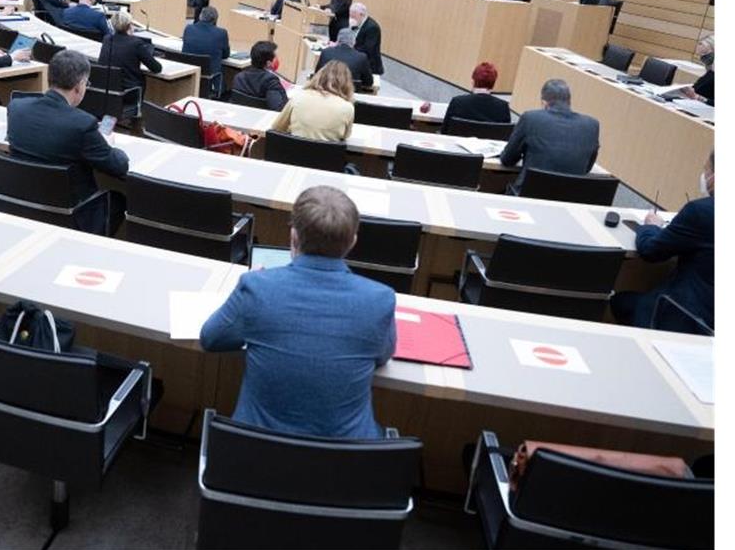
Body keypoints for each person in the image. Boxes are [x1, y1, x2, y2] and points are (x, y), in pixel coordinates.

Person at [200, 185, 396, 439]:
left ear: (293, 236)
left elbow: (211, 338)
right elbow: (381, 357)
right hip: (344, 468)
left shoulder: (257, 287)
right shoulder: (380, 300)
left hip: (253, 458)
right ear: (353, 242)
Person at [7, 50, 130, 235]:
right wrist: (107, 144)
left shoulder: (16, 108)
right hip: (70, 214)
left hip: (24, 205)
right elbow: (119, 166)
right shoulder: (83, 124)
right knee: (119, 199)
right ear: (79, 86)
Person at [610, 151, 714, 333]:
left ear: (714, 176)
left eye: (706, 170)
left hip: (686, 315)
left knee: (620, 301)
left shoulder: (700, 211)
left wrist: (650, 226)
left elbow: (651, 251)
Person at [500, 78, 599, 195]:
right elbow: (586, 168)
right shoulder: (592, 125)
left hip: (530, 194)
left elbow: (507, 159)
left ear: (544, 103)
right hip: (571, 197)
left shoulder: (531, 118)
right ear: (569, 102)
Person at [270, 61, 355, 141]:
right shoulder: (348, 108)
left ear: (319, 76)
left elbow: (277, 127)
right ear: (347, 83)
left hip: (291, 154)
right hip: (326, 156)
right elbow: (345, 136)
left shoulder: (299, 97)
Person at [97, 10, 163, 95]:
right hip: (129, 92)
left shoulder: (107, 39)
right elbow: (157, 68)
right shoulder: (136, 43)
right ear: (130, 26)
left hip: (109, 89)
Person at [441, 62, 511, 127]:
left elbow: (445, 131)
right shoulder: (503, 107)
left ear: (473, 81)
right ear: (493, 83)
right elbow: (505, 136)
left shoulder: (457, 102)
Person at [182, 6, 230, 96]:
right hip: (209, 76)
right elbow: (226, 55)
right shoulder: (221, 33)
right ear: (215, 20)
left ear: (200, 16)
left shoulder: (188, 28)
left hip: (189, 73)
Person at [231, 40, 287, 110]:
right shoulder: (271, 81)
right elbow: (278, 107)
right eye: (276, 57)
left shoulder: (238, 77)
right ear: (269, 63)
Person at [349, 2, 383, 75]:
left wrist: (349, 49)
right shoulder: (357, 23)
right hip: (358, 60)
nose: (351, 19)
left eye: (353, 17)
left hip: (370, 66)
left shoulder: (372, 28)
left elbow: (368, 49)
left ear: (362, 15)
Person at [680, 34, 714, 106]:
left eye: (705, 53)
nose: (702, 57)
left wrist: (697, 97)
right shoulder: (710, 72)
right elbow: (698, 89)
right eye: (701, 54)